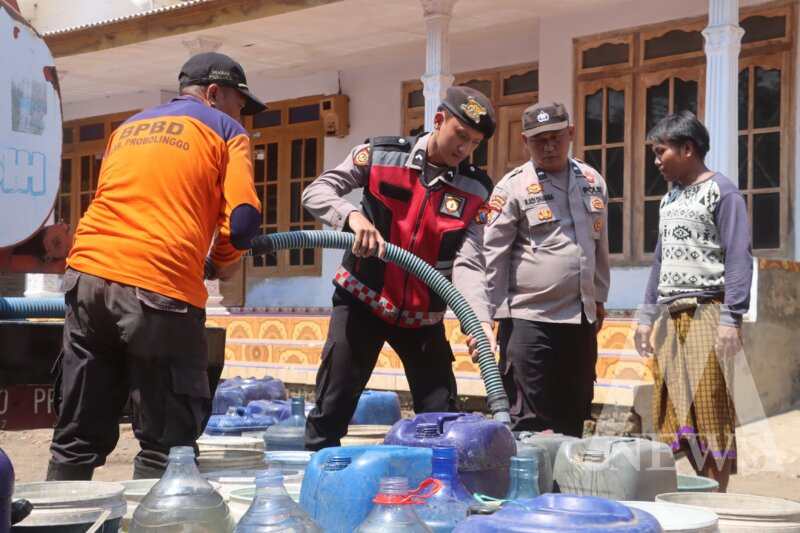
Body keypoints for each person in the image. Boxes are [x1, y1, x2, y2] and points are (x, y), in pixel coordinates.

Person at [46, 52, 265, 480]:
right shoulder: (226, 130)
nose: (245, 116)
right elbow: (243, 222)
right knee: (168, 447)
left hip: (87, 277)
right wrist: (223, 262)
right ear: (215, 93)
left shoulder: (126, 128)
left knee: (76, 438)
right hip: (159, 287)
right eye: (242, 103)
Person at [301, 86, 497, 450]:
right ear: (439, 120)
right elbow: (316, 192)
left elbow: (470, 261)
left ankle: (436, 490)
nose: (464, 149)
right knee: (333, 402)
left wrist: (480, 321)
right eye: (460, 136)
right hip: (363, 299)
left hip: (423, 318)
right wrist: (353, 218)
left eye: (474, 144)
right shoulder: (380, 154)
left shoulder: (477, 189)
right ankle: (318, 477)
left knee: (441, 415)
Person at [473, 102, 610, 437]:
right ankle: (531, 488)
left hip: (579, 320)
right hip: (528, 320)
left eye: (556, 137)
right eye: (539, 140)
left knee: (573, 414)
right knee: (529, 422)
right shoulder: (512, 187)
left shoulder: (593, 181)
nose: (549, 146)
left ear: (571, 133)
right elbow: (493, 254)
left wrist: (599, 298)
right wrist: (487, 315)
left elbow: (599, 247)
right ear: (525, 141)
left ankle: (563, 488)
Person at [634, 111, 752, 492]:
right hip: (670, 316)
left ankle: (716, 499)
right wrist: (645, 315)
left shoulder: (723, 191)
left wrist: (731, 319)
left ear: (688, 149)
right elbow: (660, 258)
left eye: (660, 151)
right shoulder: (669, 199)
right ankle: (690, 496)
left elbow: (738, 255)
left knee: (710, 409)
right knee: (673, 411)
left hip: (706, 312)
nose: (656, 161)